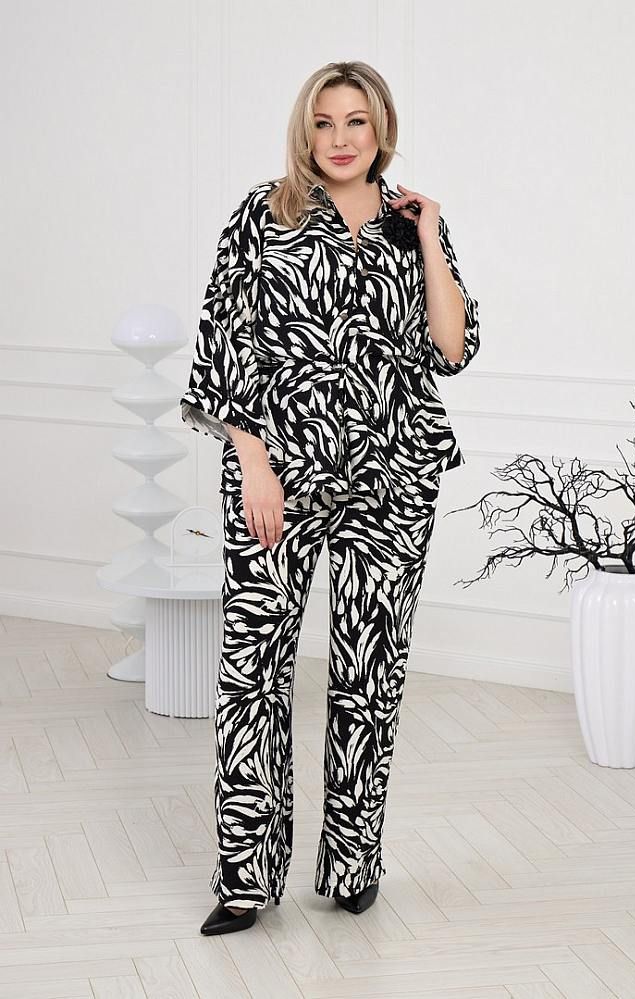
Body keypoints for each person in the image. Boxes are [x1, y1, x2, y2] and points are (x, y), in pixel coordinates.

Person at [180, 60, 481, 935]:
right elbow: (222, 343)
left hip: (394, 474)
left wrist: (431, 236)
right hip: (281, 475)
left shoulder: (411, 223)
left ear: (381, 128)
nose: (340, 139)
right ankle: (245, 877)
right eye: (324, 122)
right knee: (253, 672)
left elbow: (453, 347)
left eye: (356, 121)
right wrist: (252, 461)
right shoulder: (263, 213)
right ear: (304, 130)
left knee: (369, 675)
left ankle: (353, 863)